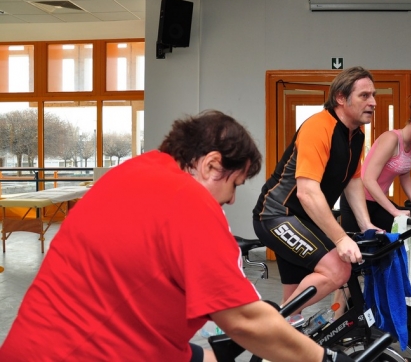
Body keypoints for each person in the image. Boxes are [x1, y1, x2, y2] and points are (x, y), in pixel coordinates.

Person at [0, 111, 343, 362]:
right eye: (235, 184)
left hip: (36, 346)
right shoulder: (188, 201)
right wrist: (324, 358)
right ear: (211, 165)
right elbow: (244, 321)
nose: (232, 200)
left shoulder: (130, 174)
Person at [253, 67, 379, 314]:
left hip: (304, 220)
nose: (373, 102)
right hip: (277, 216)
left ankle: (281, 329)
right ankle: (269, 325)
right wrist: (340, 239)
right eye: (364, 95)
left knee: (295, 304)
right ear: (341, 98)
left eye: (373, 95)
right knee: (338, 270)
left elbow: (353, 181)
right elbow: (307, 192)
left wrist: (367, 226)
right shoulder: (319, 126)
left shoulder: (356, 135)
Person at [340, 94, 411, 232]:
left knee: (401, 234)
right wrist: (394, 211)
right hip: (357, 200)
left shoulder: (410, 144)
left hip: (376, 201)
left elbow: (405, 176)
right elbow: (368, 179)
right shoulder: (391, 139)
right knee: (359, 244)